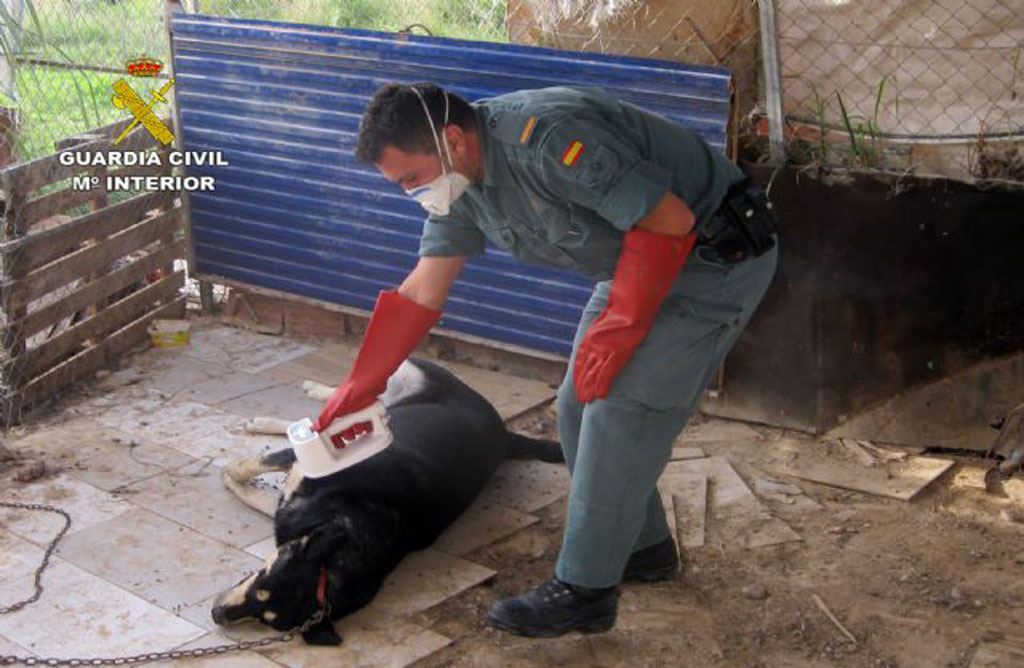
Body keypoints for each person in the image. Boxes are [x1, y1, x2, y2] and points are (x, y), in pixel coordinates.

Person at [312, 82, 778, 638]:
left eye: (412, 178)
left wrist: (622, 326)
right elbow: (423, 289)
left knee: (622, 412)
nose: (413, 193)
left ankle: (586, 591)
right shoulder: (461, 183)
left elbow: (669, 219)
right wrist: (363, 384)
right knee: (577, 406)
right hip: (636, 265)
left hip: (710, 265)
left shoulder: (548, 141)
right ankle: (644, 549)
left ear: (453, 140)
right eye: (400, 185)